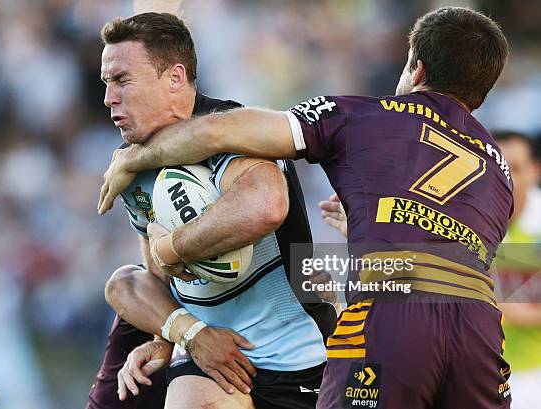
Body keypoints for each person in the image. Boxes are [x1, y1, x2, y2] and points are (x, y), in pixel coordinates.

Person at [97, 6, 514, 409]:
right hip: (478, 325)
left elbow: (221, 132)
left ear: (416, 68)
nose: (110, 97)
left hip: (389, 320)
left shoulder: (364, 115)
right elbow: (437, 259)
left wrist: (133, 161)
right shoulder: (499, 169)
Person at [89, 12, 335, 409]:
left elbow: (266, 207)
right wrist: (172, 337)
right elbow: (154, 269)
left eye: (122, 81)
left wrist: (174, 249)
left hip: (302, 357)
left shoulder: (233, 131)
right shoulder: (130, 166)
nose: (109, 98)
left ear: (174, 78)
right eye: (107, 83)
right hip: (213, 357)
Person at [491, 131, 541, 409]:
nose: (506, 178)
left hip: (534, 375)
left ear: (535, 171)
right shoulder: (466, 220)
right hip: (480, 374)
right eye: (498, 167)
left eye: (515, 169)